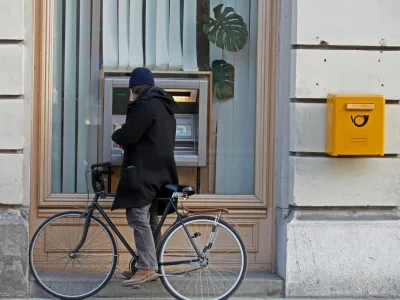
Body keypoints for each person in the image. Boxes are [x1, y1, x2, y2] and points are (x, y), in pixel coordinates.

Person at [111, 67, 179, 285]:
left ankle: (147, 267)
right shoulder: (164, 105)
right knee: (150, 220)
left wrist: (117, 132)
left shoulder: (144, 105)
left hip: (145, 172)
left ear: (134, 89)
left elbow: (130, 134)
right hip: (162, 171)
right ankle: (153, 264)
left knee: (138, 218)